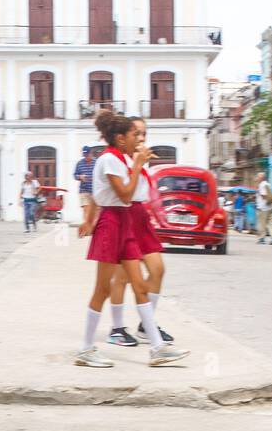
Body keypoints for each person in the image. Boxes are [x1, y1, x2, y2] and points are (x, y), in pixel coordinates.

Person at [75, 110, 188, 368]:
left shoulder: (120, 159)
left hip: (124, 222)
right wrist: (137, 165)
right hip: (112, 223)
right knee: (102, 289)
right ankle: (85, 348)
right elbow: (125, 195)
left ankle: (157, 347)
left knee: (138, 285)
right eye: (133, 134)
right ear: (119, 138)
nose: (138, 139)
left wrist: (135, 165)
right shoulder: (110, 160)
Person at [74, 145, 96, 233]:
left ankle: (93, 228)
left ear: (91, 153)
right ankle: (88, 229)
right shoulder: (79, 163)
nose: (86, 157)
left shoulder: (96, 162)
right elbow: (75, 175)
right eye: (85, 155)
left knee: (94, 211)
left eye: (88, 154)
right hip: (84, 190)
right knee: (86, 210)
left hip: (94, 190)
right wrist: (80, 176)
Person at [255, 173, 272, 245]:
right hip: (270, 207)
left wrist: (264, 201)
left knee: (262, 223)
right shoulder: (268, 184)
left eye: (258, 176)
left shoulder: (261, 185)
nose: (257, 178)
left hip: (263, 207)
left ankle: (262, 239)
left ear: (261, 178)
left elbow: (263, 195)